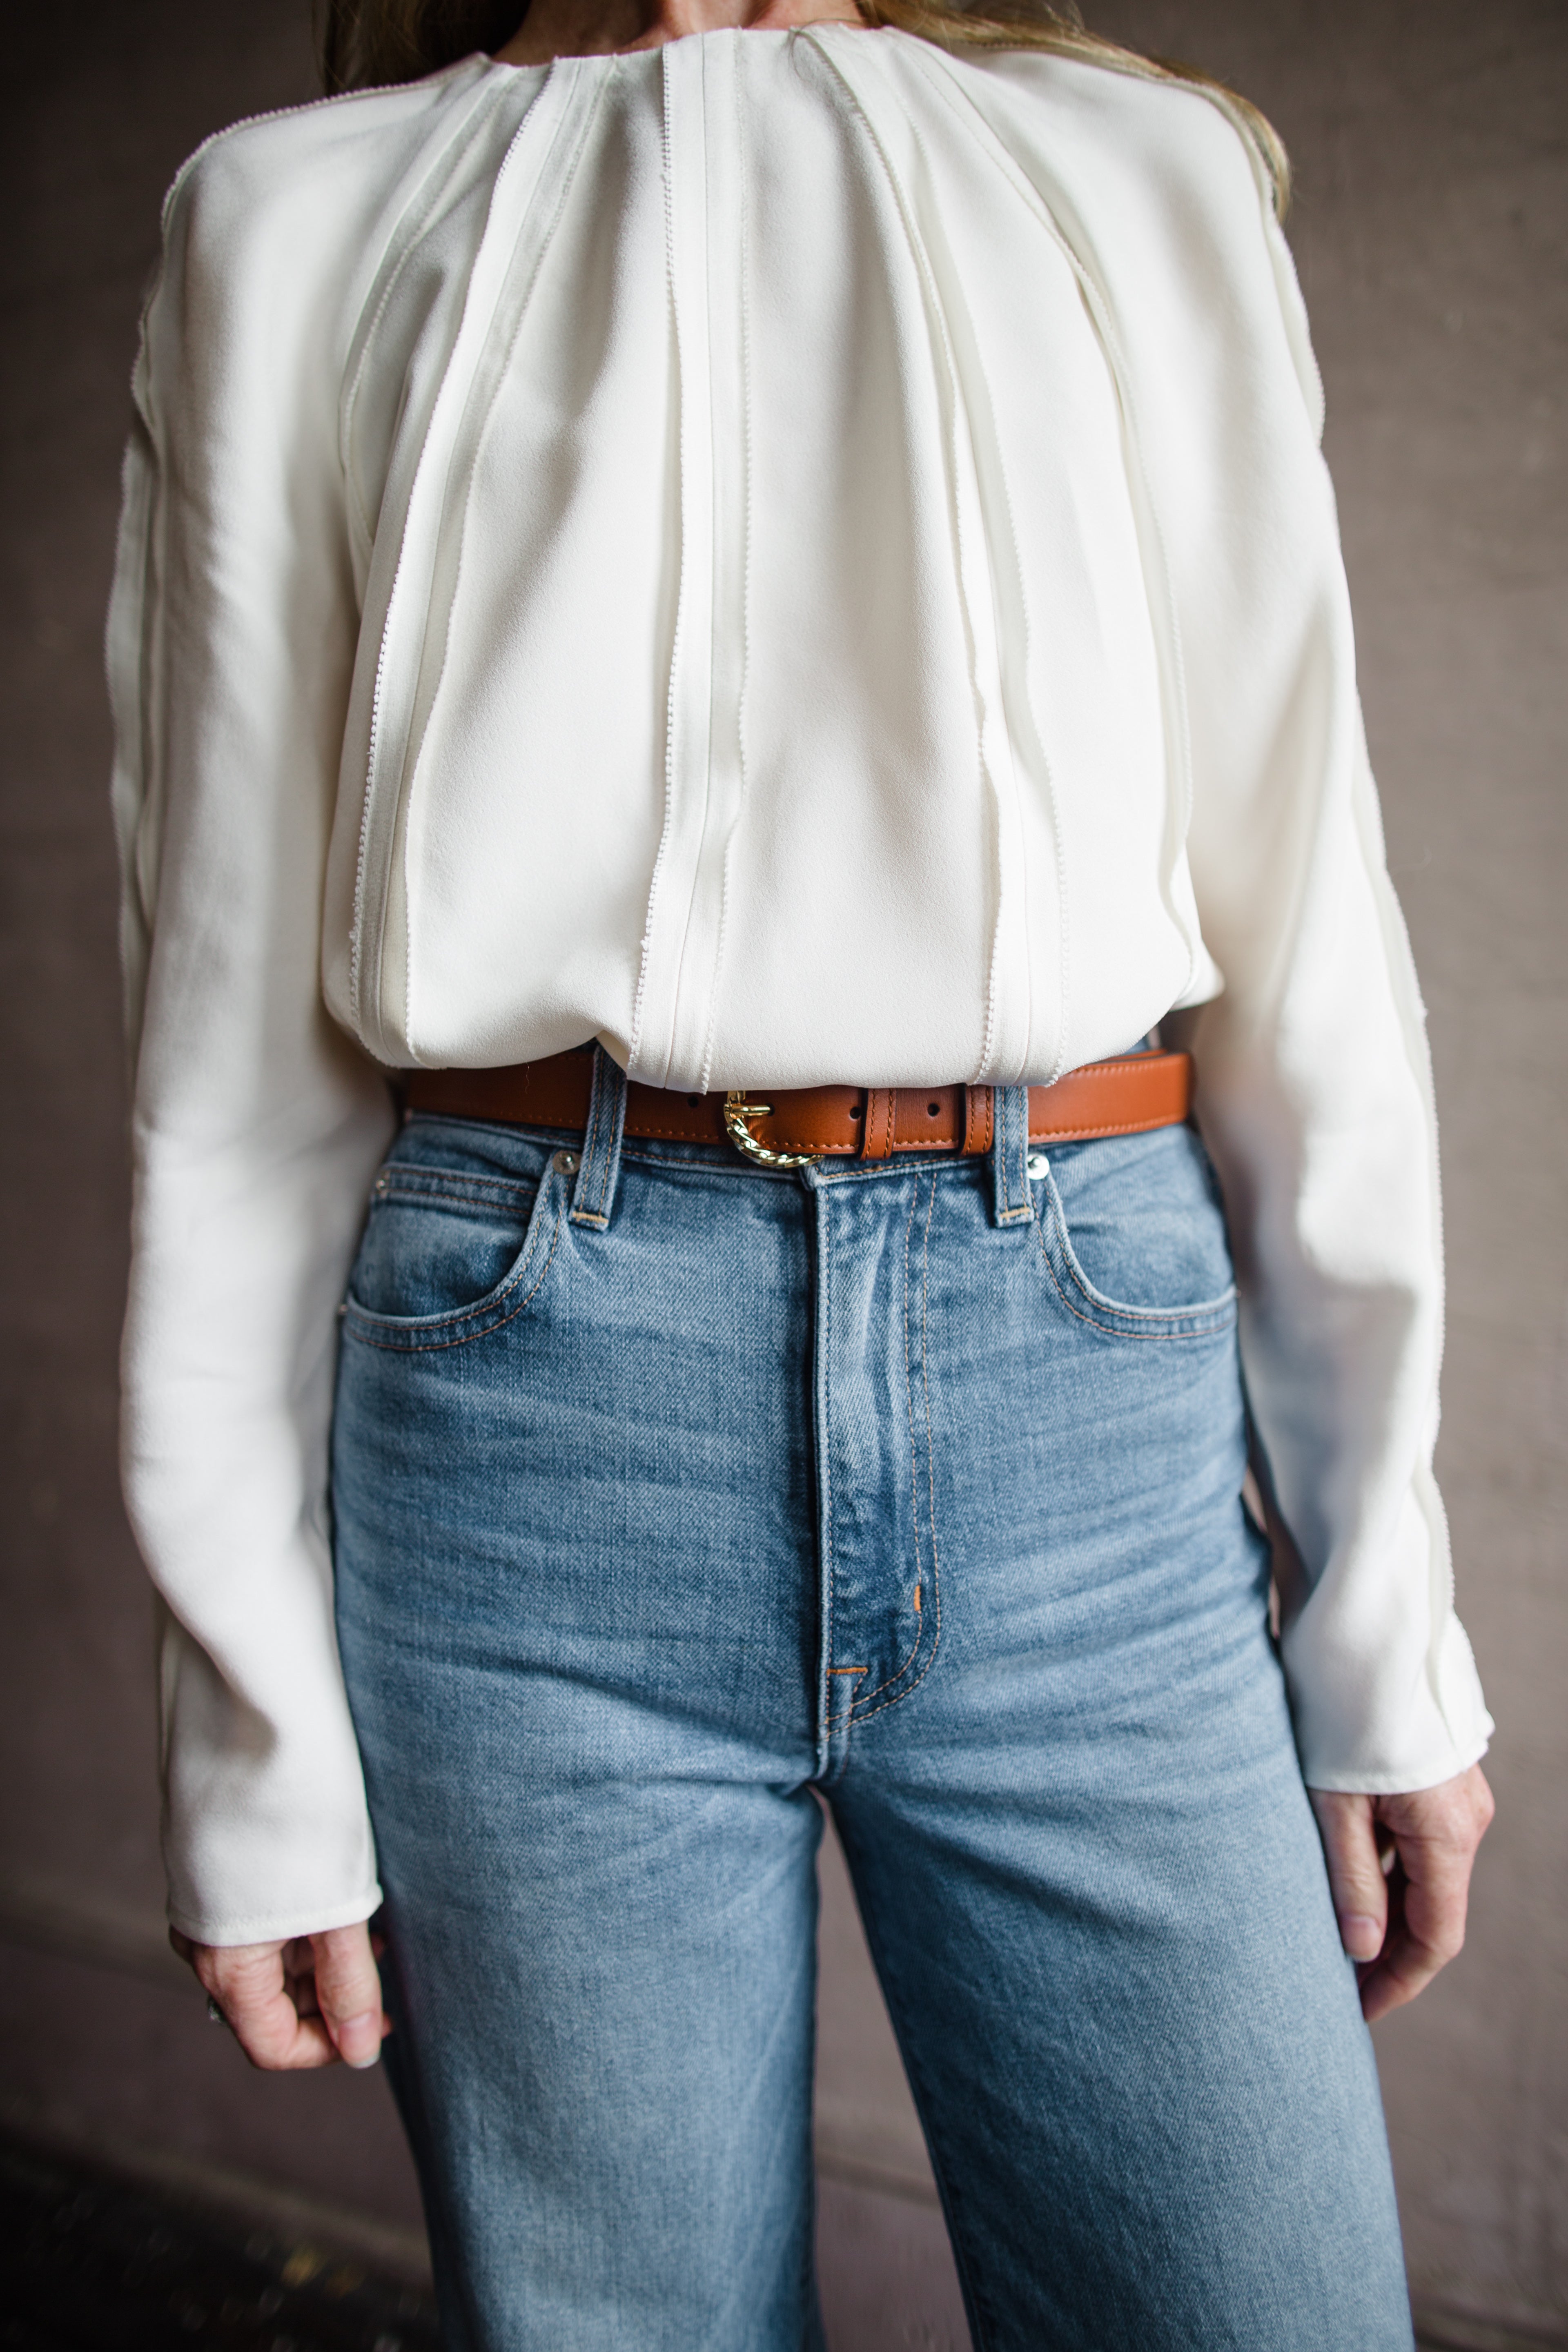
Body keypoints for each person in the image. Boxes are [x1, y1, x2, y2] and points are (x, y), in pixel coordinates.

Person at [109, 0, 1494, 2340]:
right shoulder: (296, 215)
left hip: (1079, 1376)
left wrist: (1385, 1631)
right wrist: (248, 1728)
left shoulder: (1126, 171)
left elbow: (1304, 910)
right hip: (526, 1413)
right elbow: (228, 1028)